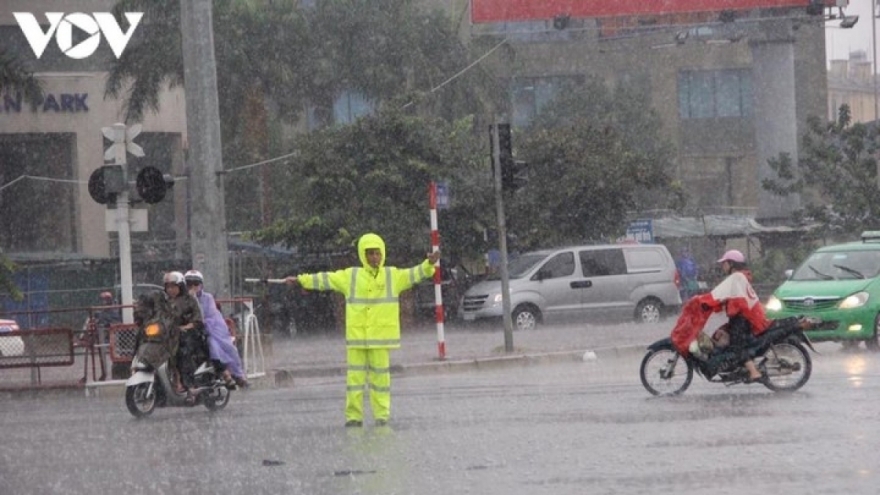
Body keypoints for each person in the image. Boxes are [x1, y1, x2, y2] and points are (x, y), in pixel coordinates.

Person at [285, 233, 440, 427]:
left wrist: (428, 264)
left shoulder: (393, 276)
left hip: (380, 339)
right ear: (362, 255)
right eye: (370, 254)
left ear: (382, 254)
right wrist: (301, 280)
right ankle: (353, 417)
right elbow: (325, 279)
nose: (374, 258)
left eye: (377, 253)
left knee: (381, 381)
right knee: (354, 381)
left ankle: (381, 416)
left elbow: (414, 274)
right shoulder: (351, 276)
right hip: (358, 338)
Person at [695, 249, 769, 382]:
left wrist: (704, 301)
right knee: (720, 335)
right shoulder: (740, 276)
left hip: (744, 319)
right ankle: (736, 367)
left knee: (736, 345)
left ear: (732, 264)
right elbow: (726, 295)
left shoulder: (736, 278)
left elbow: (723, 296)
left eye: (725, 263)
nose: (723, 266)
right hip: (744, 317)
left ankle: (753, 372)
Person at [184, 269, 248, 389]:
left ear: (201, 285)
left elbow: (210, 317)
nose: (193, 287)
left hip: (208, 331)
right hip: (185, 331)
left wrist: (194, 303)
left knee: (216, 345)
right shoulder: (181, 299)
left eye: (196, 284)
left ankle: (232, 375)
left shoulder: (207, 298)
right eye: (189, 284)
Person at [163, 271, 207, 401]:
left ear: (180, 286)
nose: (170, 289)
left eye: (173, 286)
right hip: (170, 336)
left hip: (191, 334)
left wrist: (185, 327)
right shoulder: (164, 302)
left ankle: (189, 385)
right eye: (168, 287)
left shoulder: (190, 300)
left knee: (182, 352)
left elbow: (198, 320)